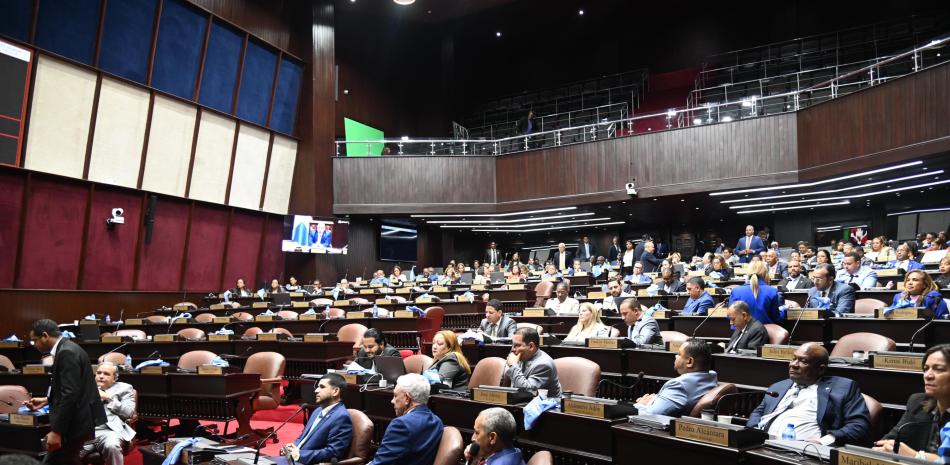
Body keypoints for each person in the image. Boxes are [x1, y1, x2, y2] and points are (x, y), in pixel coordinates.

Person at [746, 343, 870, 446]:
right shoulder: (778, 386)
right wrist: (755, 433)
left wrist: (823, 442)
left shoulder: (844, 387)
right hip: (762, 446)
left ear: (820, 369)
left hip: (805, 453)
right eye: (793, 358)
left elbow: (859, 426)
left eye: (803, 361)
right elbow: (758, 413)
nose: (793, 365)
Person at [25, 319, 107, 465]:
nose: (34, 345)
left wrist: (57, 431)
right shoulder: (69, 348)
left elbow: (70, 394)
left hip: (73, 423)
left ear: (45, 335)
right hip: (78, 420)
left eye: (34, 340)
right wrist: (45, 400)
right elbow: (73, 388)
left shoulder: (66, 352)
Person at [872, 344, 950, 460]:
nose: (928, 376)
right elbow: (889, 442)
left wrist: (915, 456)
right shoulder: (918, 402)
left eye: (938, 369)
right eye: (926, 368)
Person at [368, 374, 443, 465]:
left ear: (407, 398)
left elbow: (380, 463)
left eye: (395, 396)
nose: (392, 401)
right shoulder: (437, 421)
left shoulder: (401, 424)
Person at [635, 340, 718, 417]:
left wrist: (641, 404)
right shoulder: (711, 376)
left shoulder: (678, 385)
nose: (675, 356)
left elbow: (651, 416)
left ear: (689, 362)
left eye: (679, 354)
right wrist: (653, 400)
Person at [282, 373, 352, 464]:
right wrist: (294, 447)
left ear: (335, 391)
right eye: (317, 387)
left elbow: (333, 452)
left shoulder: (341, 417)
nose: (316, 390)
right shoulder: (317, 410)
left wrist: (299, 455)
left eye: (322, 387)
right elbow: (304, 436)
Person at [79, 362, 135, 465]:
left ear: (115, 378)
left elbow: (129, 412)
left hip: (109, 431)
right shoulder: (85, 387)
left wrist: (108, 397)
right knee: (65, 453)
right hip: (84, 432)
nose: (101, 376)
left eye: (106, 374)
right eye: (99, 373)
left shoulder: (124, 388)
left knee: (112, 446)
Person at [505, 327, 562, 397]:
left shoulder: (543, 364)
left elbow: (526, 391)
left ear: (531, 346)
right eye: (513, 345)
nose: (513, 349)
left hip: (546, 406)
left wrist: (513, 366)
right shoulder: (521, 356)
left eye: (517, 345)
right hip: (524, 403)